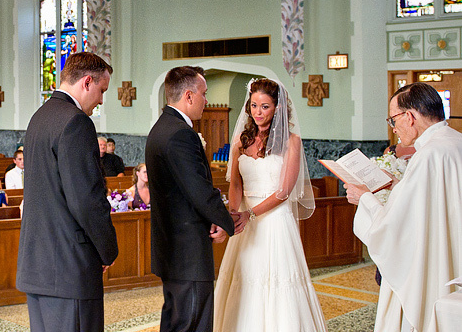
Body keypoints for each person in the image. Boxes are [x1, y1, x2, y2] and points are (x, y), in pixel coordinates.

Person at [344, 82, 462, 332]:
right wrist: (396, 184)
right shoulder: (454, 141)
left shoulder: (429, 154)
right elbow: (437, 202)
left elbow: (398, 226)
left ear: (409, 117)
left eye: (393, 119)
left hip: (430, 262)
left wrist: (363, 197)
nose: (394, 127)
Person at [16, 52, 118, 332]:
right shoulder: (76, 122)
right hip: (69, 266)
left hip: (39, 264)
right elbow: (86, 200)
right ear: (87, 82)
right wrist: (107, 250)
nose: (100, 101)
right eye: (101, 90)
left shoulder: (40, 116)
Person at [213, 78, 323, 332]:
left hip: (274, 220)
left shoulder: (290, 142)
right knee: (244, 278)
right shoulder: (241, 141)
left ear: (277, 108)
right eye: (254, 106)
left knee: (276, 281)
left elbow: (284, 191)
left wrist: (250, 214)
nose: (258, 112)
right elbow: (236, 184)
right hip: (244, 220)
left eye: (265, 106)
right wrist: (233, 213)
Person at [145, 65, 235, 332]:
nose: (207, 100)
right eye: (204, 94)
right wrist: (226, 220)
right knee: (191, 323)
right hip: (187, 251)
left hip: (171, 248)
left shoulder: (161, 128)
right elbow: (198, 188)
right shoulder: (180, 134)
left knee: (176, 322)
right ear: (189, 95)